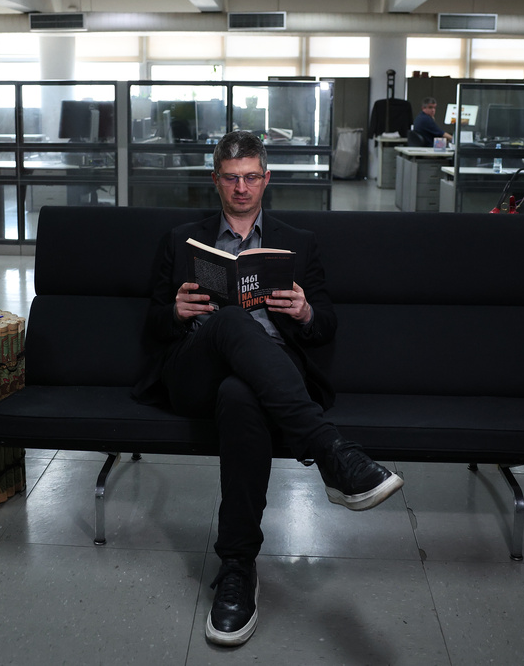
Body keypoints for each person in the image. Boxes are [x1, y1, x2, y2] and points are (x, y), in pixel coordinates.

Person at [134, 130, 403, 647]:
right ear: (216, 180)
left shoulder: (297, 242)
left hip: (265, 380)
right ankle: (332, 454)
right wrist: (175, 312)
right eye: (231, 178)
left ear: (267, 178)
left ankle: (237, 568)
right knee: (231, 322)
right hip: (194, 371)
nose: (242, 188)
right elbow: (151, 323)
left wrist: (304, 311)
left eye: (251, 177)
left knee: (241, 396)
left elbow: (325, 324)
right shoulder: (181, 240)